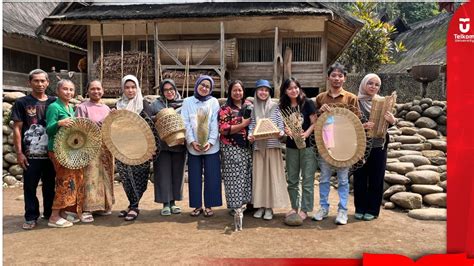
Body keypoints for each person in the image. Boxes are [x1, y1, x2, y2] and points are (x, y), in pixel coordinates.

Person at [313, 62, 361, 225]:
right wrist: (320, 112)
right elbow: (315, 121)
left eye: (340, 75)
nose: (337, 78)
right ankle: (324, 208)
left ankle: (342, 211)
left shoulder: (351, 98)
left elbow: (357, 122)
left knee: (343, 179)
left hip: (345, 145)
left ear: (344, 79)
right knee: (324, 178)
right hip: (325, 144)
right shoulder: (320, 98)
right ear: (328, 78)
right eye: (333, 75)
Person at [11, 69, 56, 230]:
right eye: (36, 81)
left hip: (51, 154)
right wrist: (19, 152)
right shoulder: (22, 103)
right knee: (30, 186)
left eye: (43, 81)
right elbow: (17, 129)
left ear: (48, 82)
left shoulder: (54, 102)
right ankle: (31, 216)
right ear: (29, 82)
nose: (40, 84)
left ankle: (50, 213)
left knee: (50, 186)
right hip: (31, 154)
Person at [115, 74, 159, 221]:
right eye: (127, 87)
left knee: (139, 176)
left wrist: (154, 149)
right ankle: (132, 204)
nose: (130, 90)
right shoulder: (119, 105)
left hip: (141, 148)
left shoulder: (143, 104)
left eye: (133, 87)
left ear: (137, 88)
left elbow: (151, 128)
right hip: (122, 147)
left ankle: (134, 205)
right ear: (123, 89)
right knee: (126, 177)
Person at [353, 73, 396, 221]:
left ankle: (372, 210)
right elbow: (348, 122)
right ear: (364, 84)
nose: (373, 87)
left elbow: (388, 124)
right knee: (360, 177)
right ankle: (360, 208)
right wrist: (362, 126)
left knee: (376, 178)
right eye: (370, 83)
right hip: (359, 146)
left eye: (377, 85)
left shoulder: (384, 102)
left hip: (379, 145)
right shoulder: (355, 102)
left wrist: (392, 121)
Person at [248, 79, 289, 220]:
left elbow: (280, 126)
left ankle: (270, 208)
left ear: (269, 92)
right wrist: (250, 135)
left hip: (272, 146)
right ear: (256, 92)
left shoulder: (275, 107)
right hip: (259, 147)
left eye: (266, 90)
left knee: (271, 177)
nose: (263, 92)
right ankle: (260, 206)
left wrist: (281, 133)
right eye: (261, 89)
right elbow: (252, 126)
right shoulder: (253, 108)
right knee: (260, 178)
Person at [181, 75, 222, 217]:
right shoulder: (187, 102)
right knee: (194, 176)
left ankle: (209, 205)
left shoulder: (214, 102)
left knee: (212, 175)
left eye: (208, 86)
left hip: (211, 147)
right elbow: (185, 123)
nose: (204, 88)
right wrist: (192, 141)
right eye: (202, 85)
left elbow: (215, 123)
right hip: (194, 147)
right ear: (197, 85)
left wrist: (210, 141)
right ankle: (197, 205)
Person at [279, 77, 318, 221]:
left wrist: (306, 133)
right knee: (293, 179)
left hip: (308, 147)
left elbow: (315, 122)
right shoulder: (283, 106)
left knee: (307, 179)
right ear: (285, 91)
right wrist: (286, 130)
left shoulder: (307, 103)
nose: (293, 90)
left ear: (299, 88)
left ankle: (305, 209)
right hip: (291, 147)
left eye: (296, 87)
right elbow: (281, 124)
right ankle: (294, 207)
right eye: (289, 88)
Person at [46, 79, 83, 228]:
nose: (68, 92)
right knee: (64, 181)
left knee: (71, 180)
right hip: (57, 150)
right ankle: (54, 216)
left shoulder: (70, 107)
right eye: (65, 89)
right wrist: (59, 123)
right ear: (58, 91)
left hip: (68, 150)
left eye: (71, 90)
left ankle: (62, 212)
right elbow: (48, 130)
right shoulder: (54, 107)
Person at [75, 80, 114, 222]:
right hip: (89, 146)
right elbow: (78, 127)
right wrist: (94, 126)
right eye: (93, 89)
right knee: (90, 177)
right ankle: (87, 208)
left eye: (98, 89)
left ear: (103, 91)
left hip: (105, 147)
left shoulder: (106, 108)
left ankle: (103, 206)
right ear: (88, 91)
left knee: (104, 176)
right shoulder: (82, 107)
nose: (96, 91)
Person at [149, 79, 186, 216]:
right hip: (162, 145)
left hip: (179, 145)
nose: (169, 92)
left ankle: (174, 202)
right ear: (162, 92)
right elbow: (149, 122)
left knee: (177, 173)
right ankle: (165, 203)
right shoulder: (155, 104)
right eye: (166, 90)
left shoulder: (183, 104)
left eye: (171, 89)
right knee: (163, 174)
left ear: (175, 89)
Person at [218, 80, 253, 216]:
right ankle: (234, 206)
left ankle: (245, 203)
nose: (238, 93)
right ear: (230, 92)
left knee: (246, 174)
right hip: (230, 146)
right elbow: (223, 129)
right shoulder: (225, 108)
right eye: (235, 90)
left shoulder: (249, 106)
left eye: (240, 90)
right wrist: (243, 124)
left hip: (246, 146)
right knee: (233, 176)